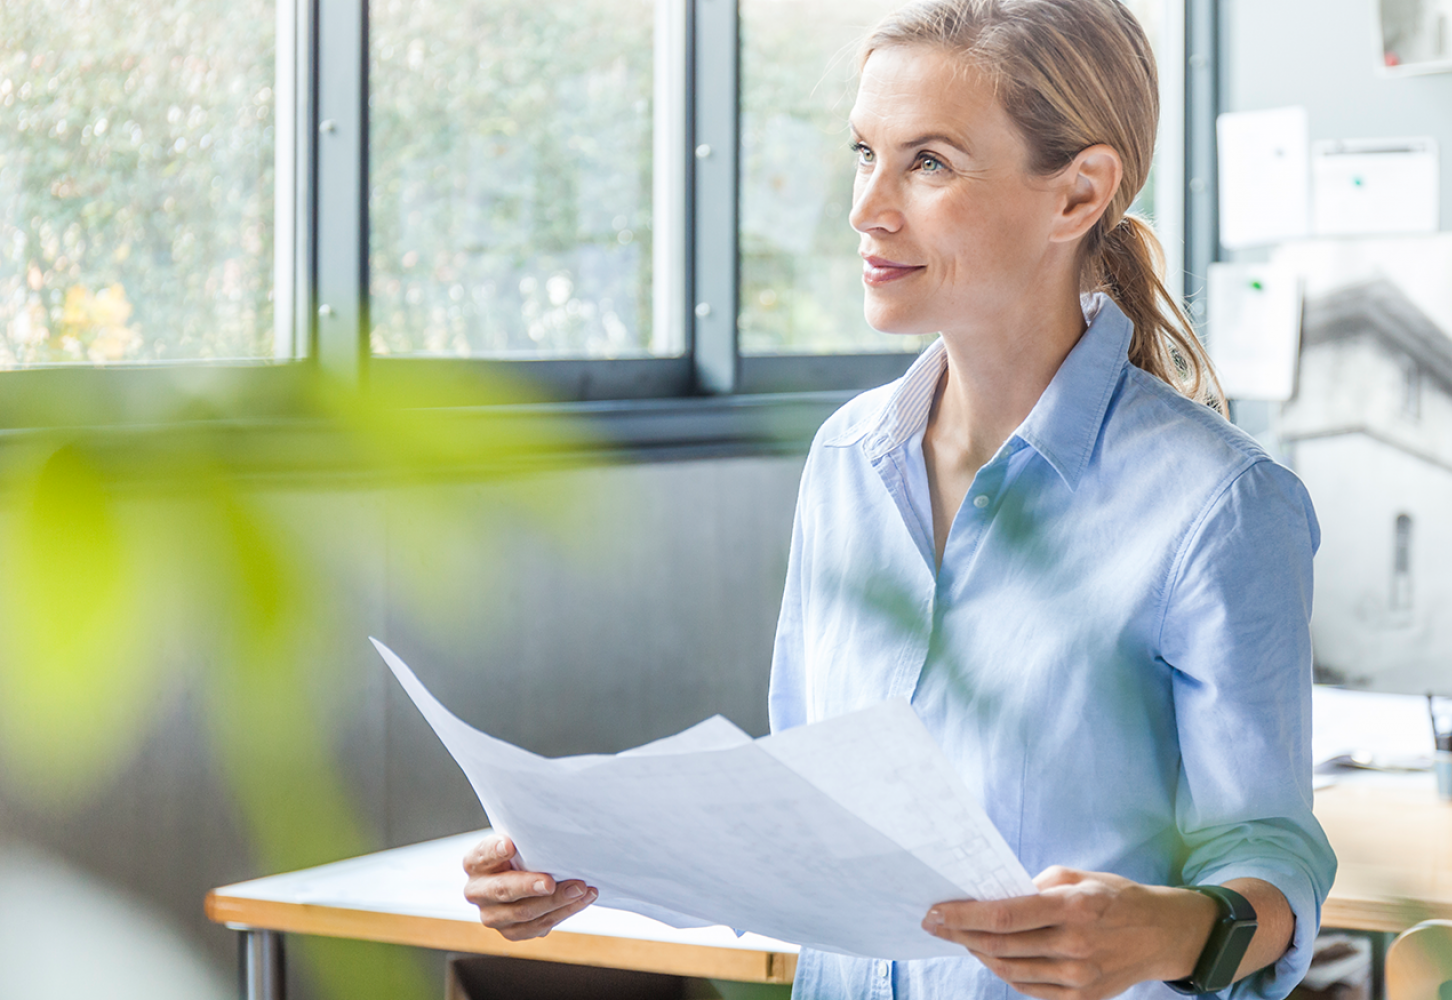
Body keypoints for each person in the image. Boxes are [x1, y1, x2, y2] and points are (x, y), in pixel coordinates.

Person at [461, 0, 1336, 996]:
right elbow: (801, 819)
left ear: (1076, 194)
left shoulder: (1218, 505)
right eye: (862, 153)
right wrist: (587, 859)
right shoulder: (846, 460)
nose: (866, 208)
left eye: (927, 163)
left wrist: (1174, 931)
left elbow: (1270, 858)